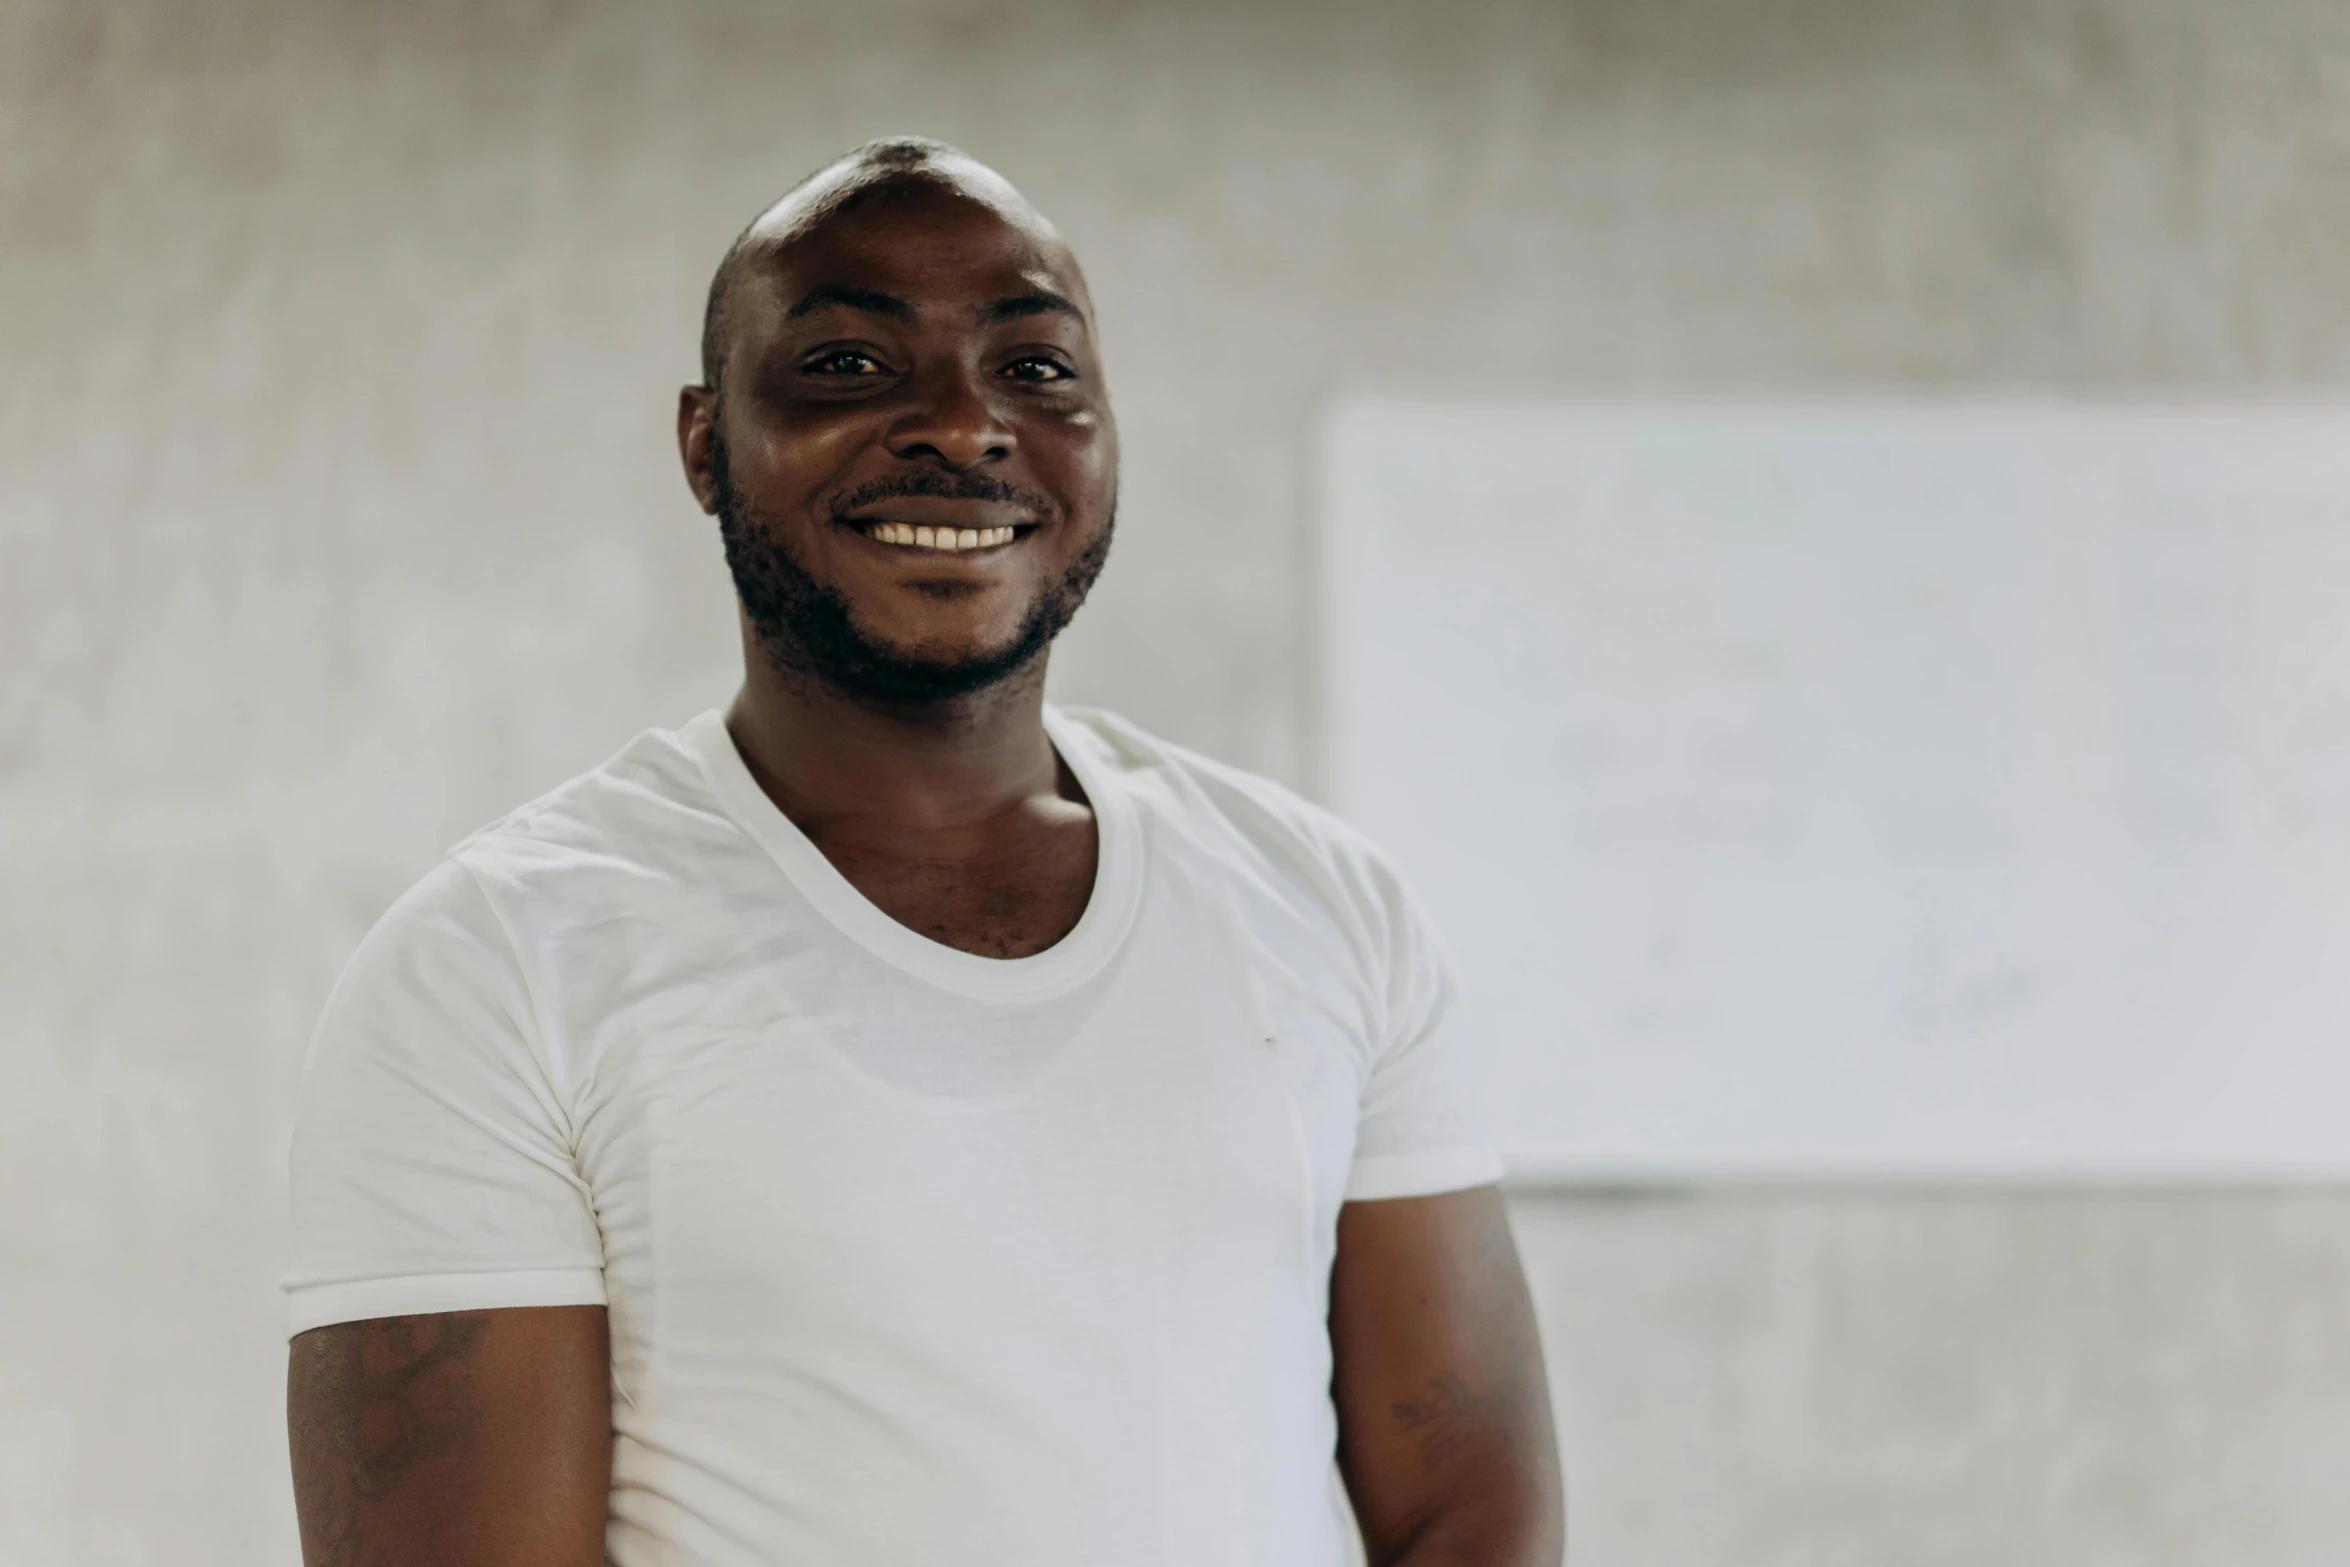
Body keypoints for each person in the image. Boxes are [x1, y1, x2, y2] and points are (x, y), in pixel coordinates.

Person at [282, 136, 1563, 1567]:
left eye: (1035, 370)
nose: (962, 425)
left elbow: (1468, 1507)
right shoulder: (495, 962)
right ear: (706, 444)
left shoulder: (1326, 903)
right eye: (846, 366)